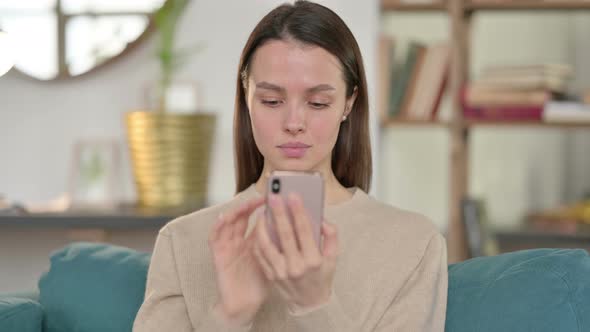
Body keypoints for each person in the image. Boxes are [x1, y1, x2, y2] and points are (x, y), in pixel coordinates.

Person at [133, 1, 447, 331]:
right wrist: (230, 316)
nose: (294, 122)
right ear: (247, 97)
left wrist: (314, 304)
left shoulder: (413, 244)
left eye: (317, 102)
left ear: (348, 104)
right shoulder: (183, 241)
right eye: (271, 100)